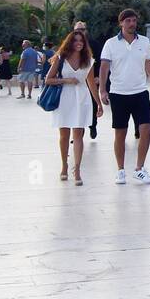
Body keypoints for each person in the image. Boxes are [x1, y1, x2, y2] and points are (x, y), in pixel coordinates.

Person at [99, 8, 150, 185]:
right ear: (121, 23)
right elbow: (104, 67)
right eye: (128, 21)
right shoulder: (111, 43)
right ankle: (120, 170)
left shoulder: (144, 41)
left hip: (140, 92)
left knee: (146, 129)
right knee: (120, 133)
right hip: (119, 93)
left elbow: (149, 65)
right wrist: (102, 90)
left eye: (134, 20)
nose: (132, 23)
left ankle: (139, 169)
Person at [47, 28, 101, 185]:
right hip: (64, 99)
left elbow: (91, 83)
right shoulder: (60, 58)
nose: (79, 43)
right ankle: (64, 165)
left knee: (78, 134)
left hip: (82, 99)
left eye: (81, 41)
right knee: (64, 135)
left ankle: (77, 169)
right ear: (70, 42)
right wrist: (67, 80)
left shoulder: (88, 60)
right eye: (76, 40)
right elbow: (48, 79)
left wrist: (98, 103)